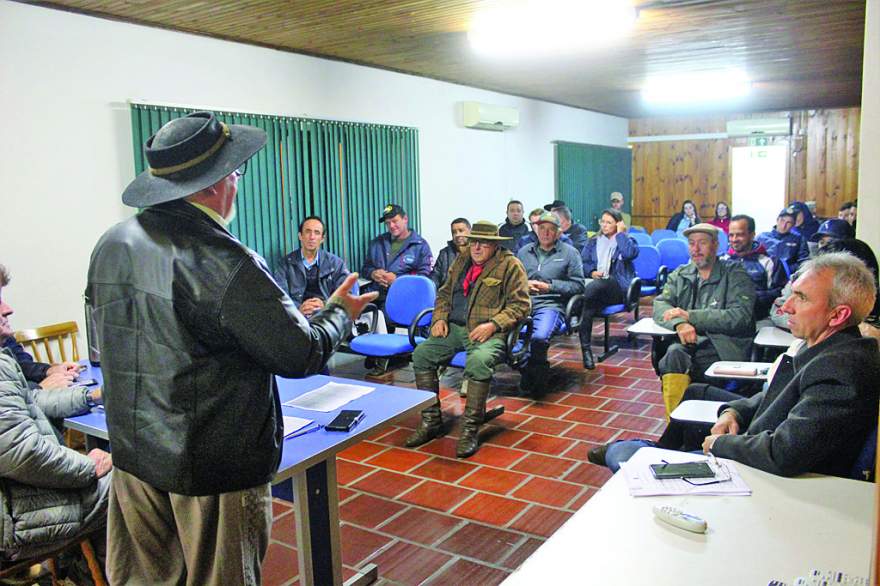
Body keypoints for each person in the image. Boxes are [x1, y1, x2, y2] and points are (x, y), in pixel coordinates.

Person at [87, 111, 376, 585]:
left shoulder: (112, 243)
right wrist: (340, 311)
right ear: (218, 183)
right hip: (211, 467)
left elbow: (103, 345)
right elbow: (298, 353)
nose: (238, 184)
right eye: (237, 173)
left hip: (135, 454)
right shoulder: (226, 260)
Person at [590, 252, 880, 479]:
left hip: (762, 478)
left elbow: (784, 453)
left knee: (632, 463)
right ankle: (642, 450)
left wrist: (718, 445)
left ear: (837, 315)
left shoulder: (840, 369)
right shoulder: (823, 347)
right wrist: (735, 412)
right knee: (643, 455)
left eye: (801, 298)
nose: (786, 306)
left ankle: (632, 450)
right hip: (752, 454)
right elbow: (776, 396)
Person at [0, 264, 112, 576]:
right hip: (21, 521)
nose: (8, 309)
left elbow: (34, 400)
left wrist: (92, 396)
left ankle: (83, 570)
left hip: (21, 503)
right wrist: (89, 466)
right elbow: (24, 454)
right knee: (137, 480)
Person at [407, 221, 530, 457]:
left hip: (488, 331)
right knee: (422, 354)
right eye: (474, 242)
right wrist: (439, 318)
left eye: (483, 243)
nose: (476, 247)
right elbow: (444, 293)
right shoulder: (462, 260)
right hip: (454, 327)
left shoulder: (510, 265)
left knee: (478, 361)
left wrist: (494, 324)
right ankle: (431, 421)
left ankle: (470, 429)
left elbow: (521, 305)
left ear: (494, 245)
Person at [653, 224, 756, 416]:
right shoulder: (682, 274)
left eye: (702, 243)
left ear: (715, 245)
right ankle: (676, 422)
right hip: (690, 343)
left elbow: (739, 316)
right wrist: (680, 324)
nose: (696, 249)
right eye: (691, 243)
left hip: (724, 346)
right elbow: (661, 305)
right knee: (673, 354)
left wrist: (690, 316)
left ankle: (684, 423)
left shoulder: (735, 274)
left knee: (680, 360)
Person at [517, 212, 584, 393]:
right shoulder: (524, 252)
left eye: (551, 229)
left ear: (558, 233)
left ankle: (536, 377)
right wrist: (524, 284)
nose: (546, 233)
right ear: (536, 229)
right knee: (498, 331)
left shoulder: (570, 253)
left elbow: (578, 285)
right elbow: (513, 280)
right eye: (542, 228)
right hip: (523, 302)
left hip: (550, 304)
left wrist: (550, 286)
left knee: (538, 337)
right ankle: (530, 368)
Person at [578, 209, 639, 369]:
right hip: (596, 287)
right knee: (588, 305)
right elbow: (582, 263)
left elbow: (629, 254)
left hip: (617, 288)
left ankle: (576, 308)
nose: (604, 225)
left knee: (591, 291)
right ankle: (586, 351)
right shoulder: (593, 241)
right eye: (602, 222)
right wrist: (592, 272)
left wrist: (621, 234)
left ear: (618, 224)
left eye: (609, 222)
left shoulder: (628, 240)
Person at [273, 215, 351, 318]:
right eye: (308, 232)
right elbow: (280, 297)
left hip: (328, 317)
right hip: (297, 319)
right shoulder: (285, 264)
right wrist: (298, 309)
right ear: (300, 236)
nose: (312, 237)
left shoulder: (336, 264)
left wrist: (325, 304)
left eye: (317, 233)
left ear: (322, 238)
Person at [361, 203, 433, 309]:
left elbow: (425, 278)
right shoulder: (377, 243)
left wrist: (397, 280)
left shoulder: (420, 246)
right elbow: (365, 268)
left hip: (404, 300)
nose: (391, 226)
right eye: (387, 223)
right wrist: (373, 273)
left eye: (394, 221)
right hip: (377, 298)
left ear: (405, 219)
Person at [721, 214, 786, 320]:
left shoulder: (769, 262)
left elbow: (780, 293)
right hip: (725, 319)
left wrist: (748, 296)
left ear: (752, 235)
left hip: (759, 319)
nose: (734, 239)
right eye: (731, 235)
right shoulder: (722, 261)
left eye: (740, 235)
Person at [1, 336, 80, 390]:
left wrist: (48, 370)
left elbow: (21, 363)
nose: (9, 311)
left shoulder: (6, 339)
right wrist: (38, 389)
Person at [756, 206, 810, 275]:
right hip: (763, 274)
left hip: (787, 277)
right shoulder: (762, 237)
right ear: (777, 220)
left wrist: (785, 270)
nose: (784, 225)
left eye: (789, 222)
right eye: (782, 220)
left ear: (793, 225)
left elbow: (804, 262)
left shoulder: (799, 239)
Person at [431, 217, 470, 289]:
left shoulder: (476, 253)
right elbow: (435, 276)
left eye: (461, 231)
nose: (457, 235)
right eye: (454, 232)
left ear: (470, 231)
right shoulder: (444, 254)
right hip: (445, 295)